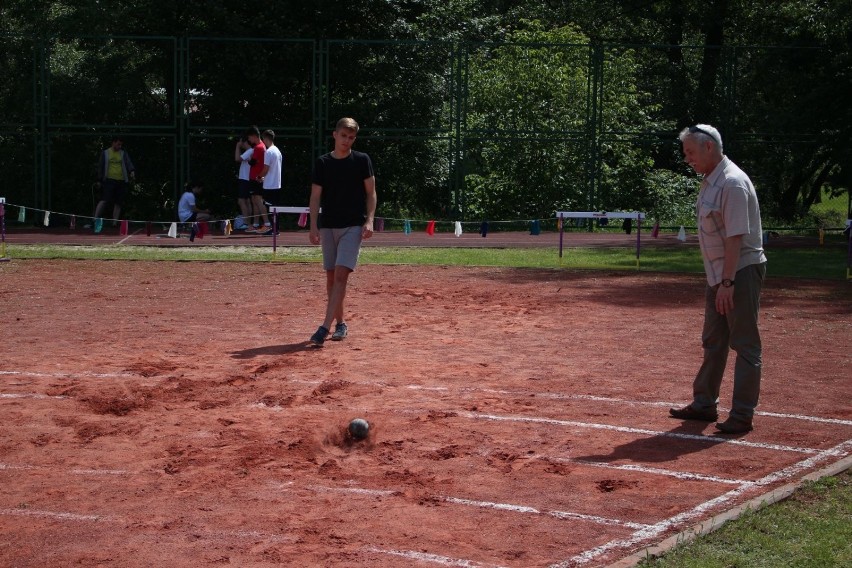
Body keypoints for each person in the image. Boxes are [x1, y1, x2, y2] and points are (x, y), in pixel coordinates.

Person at [669, 124, 768, 434]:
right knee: (714, 341)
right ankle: (704, 404)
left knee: (745, 344)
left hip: (738, 272)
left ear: (708, 147)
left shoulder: (732, 183)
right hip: (719, 276)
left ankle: (741, 415)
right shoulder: (710, 180)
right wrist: (719, 281)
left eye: (690, 152)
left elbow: (736, 239)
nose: (687, 159)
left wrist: (727, 284)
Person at [308, 117, 377, 346]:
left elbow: (371, 193)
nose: (347, 140)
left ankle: (324, 328)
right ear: (335, 135)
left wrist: (369, 220)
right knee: (331, 278)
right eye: (343, 135)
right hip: (328, 225)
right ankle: (341, 324)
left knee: (340, 275)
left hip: (352, 226)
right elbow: (315, 196)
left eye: (351, 137)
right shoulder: (323, 163)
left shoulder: (362, 160)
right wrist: (313, 225)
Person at [93, 135, 135, 226]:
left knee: (118, 202)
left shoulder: (123, 153)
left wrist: (131, 171)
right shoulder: (105, 153)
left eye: (121, 145)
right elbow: (100, 166)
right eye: (118, 144)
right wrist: (99, 180)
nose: (119, 146)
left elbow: (128, 163)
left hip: (121, 180)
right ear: (113, 143)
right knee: (104, 200)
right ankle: (95, 219)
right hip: (109, 180)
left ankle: (114, 222)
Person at [245, 126, 269, 232]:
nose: (249, 140)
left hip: (256, 178)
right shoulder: (261, 146)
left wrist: (248, 155)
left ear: (254, 136)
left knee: (258, 201)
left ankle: (267, 223)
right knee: (255, 201)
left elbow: (252, 162)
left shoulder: (259, 147)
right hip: (255, 177)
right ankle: (255, 224)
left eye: (249, 138)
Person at [234, 136, 255, 230]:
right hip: (246, 179)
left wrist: (238, 146)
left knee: (242, 201)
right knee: (247, 201)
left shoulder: (249, 150)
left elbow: (237, 159)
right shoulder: (251, 151)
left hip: (245, 179)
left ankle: (247, 223)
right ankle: (248, 223)